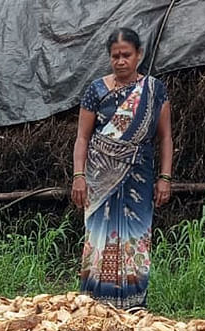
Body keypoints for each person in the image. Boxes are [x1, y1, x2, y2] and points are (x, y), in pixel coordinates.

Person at [71, 28, 174, 312]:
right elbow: (83, 137)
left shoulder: (154, 90)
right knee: (99, 236)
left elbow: (165, 137)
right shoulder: (96, 91)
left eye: (126, 55)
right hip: (99, 177)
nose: (120, 61)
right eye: (115, 56)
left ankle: (133, 304)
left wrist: (165, 177)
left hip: (139, 175)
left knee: (136, 235)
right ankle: (96, 304)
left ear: (138, 55)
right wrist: (79, 175)